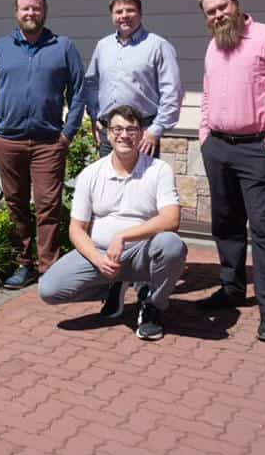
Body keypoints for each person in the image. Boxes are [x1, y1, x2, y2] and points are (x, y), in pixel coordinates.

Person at [195, 0, 265, 342]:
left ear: (236, 3)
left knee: (264, 228)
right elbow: (207, 93)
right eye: (210, 12)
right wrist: (205, 134)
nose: (218, 15)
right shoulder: (214, 46)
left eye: (222, 7)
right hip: (218, 147)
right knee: (225, 222)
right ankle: (232, 289)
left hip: (257, 148)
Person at [38, 105, 185, 341]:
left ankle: (153, 305)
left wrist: (123, 236)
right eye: (117, 129)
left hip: (142, 252)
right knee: (49, 289)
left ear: (141, 134)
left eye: (131, 129)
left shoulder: (159, 170)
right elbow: (76, 229)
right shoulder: (91, 174)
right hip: (101, 253)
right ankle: (112, 286)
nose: (124, 135)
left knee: (171, 245)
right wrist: (98, 260)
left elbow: (171, 218)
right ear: (107, 134)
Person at [0, 0, 88, 289]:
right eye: (25, 8)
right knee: (16, 205)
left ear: (45, 11)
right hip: (8, 142)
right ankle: (23, 264)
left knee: (48, 206)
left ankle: (48, 268)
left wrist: (67, 134)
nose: (31, 13)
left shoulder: (63, 47)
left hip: (48, 143)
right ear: (16, 12)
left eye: (36, 7)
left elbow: (78, 92)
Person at [85, 0, 184, 159]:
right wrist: (95, 117)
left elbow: (172, 92)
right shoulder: (103, 46)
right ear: (112, 16)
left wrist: (155, 130)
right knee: (109, 176)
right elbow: (91, 83)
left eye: (130, 10)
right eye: (118, 11)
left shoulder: (158, 46)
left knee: (143, 176)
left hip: (142, 134)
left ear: (140, 13)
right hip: (109, 133)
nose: (124, 15)